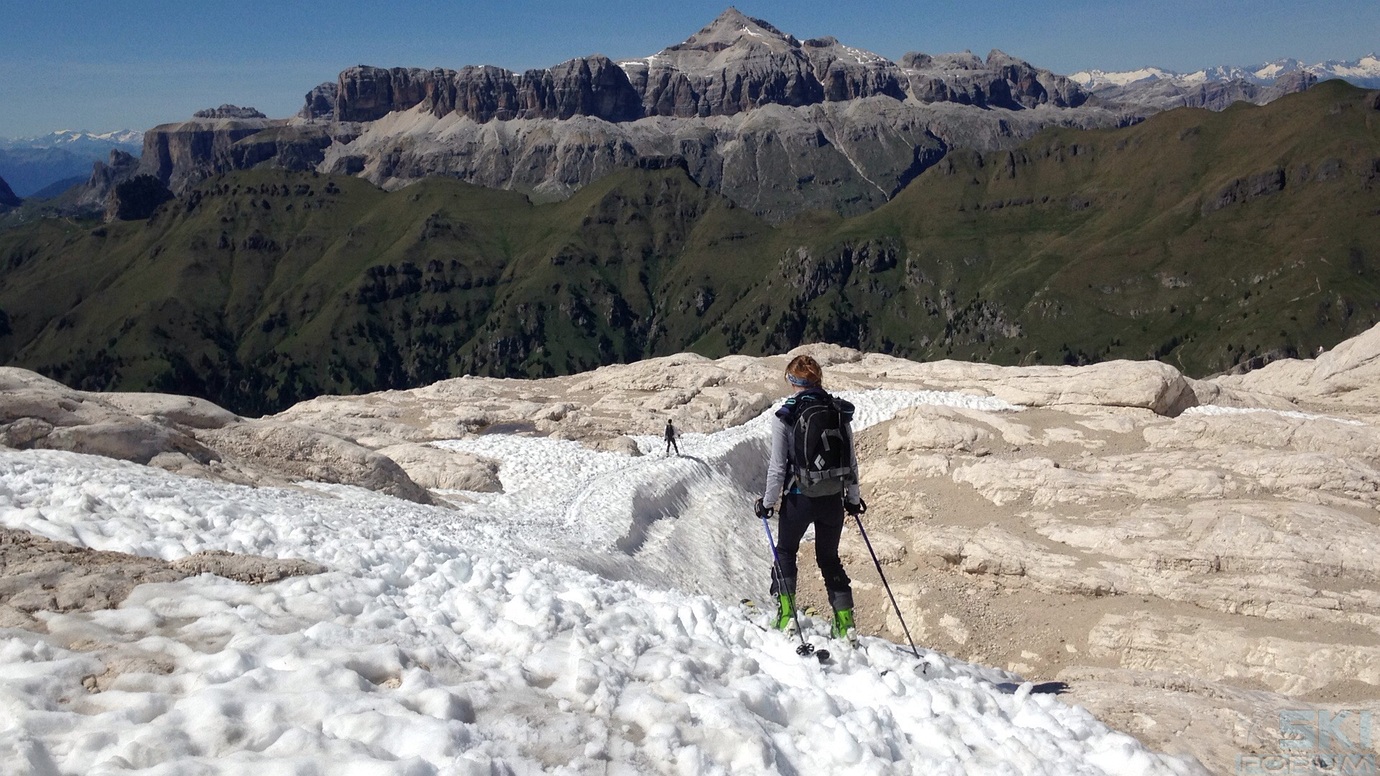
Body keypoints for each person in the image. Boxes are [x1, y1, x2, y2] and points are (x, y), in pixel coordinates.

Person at [755, 354, 864, 644]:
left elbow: (777, 467)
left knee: (786, 552)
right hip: (833, 501)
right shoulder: (838, 411)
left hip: (799, 499)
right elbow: (851, 462)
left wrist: (767, 503)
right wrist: (853, 500)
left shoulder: (786, 415)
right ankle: (845, 625)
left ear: (792, 381)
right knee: (829, 559)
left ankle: (787, 616)